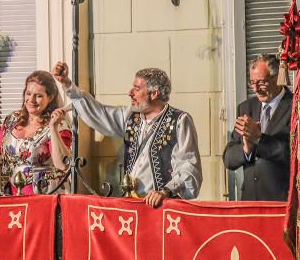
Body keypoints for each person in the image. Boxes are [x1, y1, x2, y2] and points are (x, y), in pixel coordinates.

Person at [51, 62, 202, 207]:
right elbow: (100, 114)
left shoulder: (180, 121)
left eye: (136, 88)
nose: (130, 92)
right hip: (131, 204)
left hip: (161, 207)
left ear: (154, 93)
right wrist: (67, 84)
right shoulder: (131, 117)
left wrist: (165, 192)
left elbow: (188, 167)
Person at [0, 70, 71, 198]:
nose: (31, 100)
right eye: (28, 93)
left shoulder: (59, 125)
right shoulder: (12, 119)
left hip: (48, 197)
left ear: (50, 98)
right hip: (15, 195)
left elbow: (62, 165)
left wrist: (53, 128)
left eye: (38, 95)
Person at [222, 54, 293, 201]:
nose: (256, 89)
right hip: (250, 200)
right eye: (252, 82)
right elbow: (229, 158)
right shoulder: (246, 108)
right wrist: (246, 149)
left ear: (277, 78)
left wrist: (259, 139)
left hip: (282, 200)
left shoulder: (295, 107)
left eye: (261, 82)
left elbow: (291, 153)